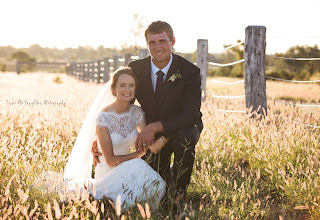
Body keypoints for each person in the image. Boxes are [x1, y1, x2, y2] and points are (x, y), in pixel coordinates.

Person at [93, 21, 203, 210]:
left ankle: (178, 197)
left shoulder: (189, 71)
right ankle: (164, 189)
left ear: (172, 41)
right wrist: (103, 135)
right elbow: (126, 102)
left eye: (162, 41)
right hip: (149, 129)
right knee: (153, 180)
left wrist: (155, 127)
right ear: (147, 44)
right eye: (152, 42)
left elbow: (191, 113)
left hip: (182, 125)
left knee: (184, 138)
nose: (157, 47)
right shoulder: (137, 68)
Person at [35, 67, 167, 211]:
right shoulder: (103, 117)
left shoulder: (137, 113)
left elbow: (150, 144)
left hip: (128, 167)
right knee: (137, 166)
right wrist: (137, 155)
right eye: (122, 85)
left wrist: (170, 131)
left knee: (157, 185)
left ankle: (125, 206)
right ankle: (102, 199)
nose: (127, 89)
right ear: (114, 89)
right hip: (108, 170)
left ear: (136, 89)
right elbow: (110, 160)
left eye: (131, 85)